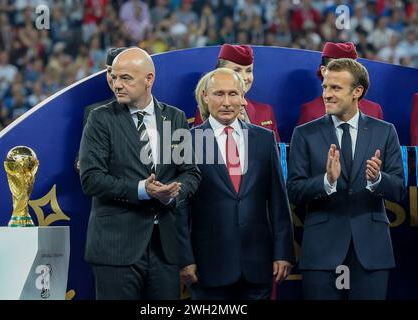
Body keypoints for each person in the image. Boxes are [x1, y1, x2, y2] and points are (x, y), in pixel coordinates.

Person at [79, 47, 201, 300]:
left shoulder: (175, 117)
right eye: (114, 77)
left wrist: (172, 193)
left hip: (164, 249)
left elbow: (190, 173)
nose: (117, 85)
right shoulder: (100, 119)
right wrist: (142, 190)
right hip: (115, 248)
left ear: (149, 80)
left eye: (126, 78)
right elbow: (91, 179)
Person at [287, 58, 405, 299]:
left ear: (357, 92)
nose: (326, 95)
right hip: (321, 253)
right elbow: (294, 191)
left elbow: (399, 190)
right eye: (325, 87)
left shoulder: (385, 131)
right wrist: (326, 181)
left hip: (371, 253)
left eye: (336, 88)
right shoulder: (304, 134)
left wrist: (377, 179)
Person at [179, 68, 295, 300]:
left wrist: (284, 252)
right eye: (219, 94)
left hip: (257, 267)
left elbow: (278, 201)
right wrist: (184, 259)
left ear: (243, 97)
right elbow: (180, 209)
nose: (226, 102)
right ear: (205, 96)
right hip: (207, 268)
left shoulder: (264, 138)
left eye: (233, 94)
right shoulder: (187, 141)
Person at [193, 44, 280, 142]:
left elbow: (276, 153)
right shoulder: (209, 111)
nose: (244, 77)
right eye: (236, 70)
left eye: (248, 71)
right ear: (220, 73)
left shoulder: (265, 111)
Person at [297, 42, 384, 125]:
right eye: (336, 68)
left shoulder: (374, 111)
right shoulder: (311, 111)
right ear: (323, 71)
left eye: (350, 69)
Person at [75, 47, 126, 171]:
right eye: (109, 71)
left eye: (121, 71)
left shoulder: (155, 111)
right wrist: (83, 163)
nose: (113, 77)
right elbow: (81, 158)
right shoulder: (94, 111)